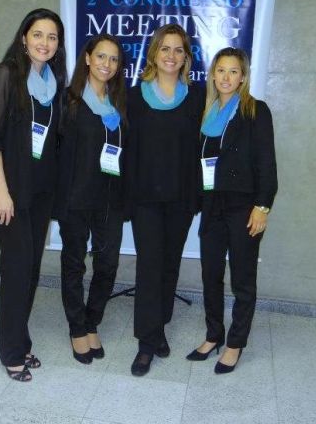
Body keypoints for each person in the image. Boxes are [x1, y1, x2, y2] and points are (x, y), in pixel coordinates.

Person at [0, 8, 66, 381]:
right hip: (8, 190)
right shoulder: (6, 75)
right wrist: (1, 192)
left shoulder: (53, 82)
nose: (45, 43)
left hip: (39, 191)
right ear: (24, 38)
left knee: (29, 268)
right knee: (17, 267)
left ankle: (20, 339)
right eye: (38, 35)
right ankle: (11, 352)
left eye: (52, 37)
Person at [186, 47, 278, 373]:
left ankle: (235, 343)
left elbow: (267, 163)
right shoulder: (207, 113)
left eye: (233, 71)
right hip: (213, 205)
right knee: (210, 274)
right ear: (213, 75)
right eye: (221, 70)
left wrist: (262, 207)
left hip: (244, 206)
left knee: (242, 279)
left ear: (242, 77)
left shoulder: (255, 111)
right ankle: (214, 335)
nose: (226, 77)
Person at [125, 24, 206, 376]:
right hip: (144, 199)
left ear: (186, 57)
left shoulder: (198, 97)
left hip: (181, 198)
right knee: (149, 266)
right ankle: (147, 343)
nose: (171, 56)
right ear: (154, 53)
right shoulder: (132, 97)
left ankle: (159, 328)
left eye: (178, 50)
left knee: (169, 264)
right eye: (165, 48)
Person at [52, 34, 126, 364]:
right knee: (74, 264)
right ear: (87, 58)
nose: (106, 64)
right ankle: (77, 327)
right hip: (75, 198)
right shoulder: (68, 100)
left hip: (110, 198)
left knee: (107, 264)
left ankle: (92, 320)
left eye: (113, 59)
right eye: (101, 56)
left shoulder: (120, 103)